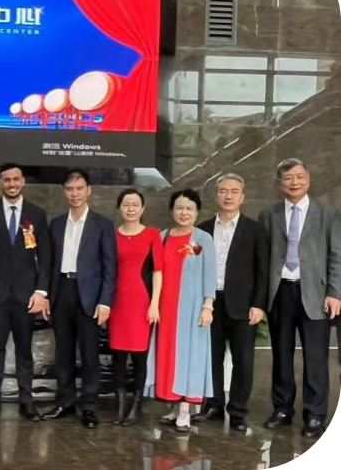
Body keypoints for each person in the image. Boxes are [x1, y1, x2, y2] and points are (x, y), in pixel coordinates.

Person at [258, 158, 341, 439]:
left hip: (315, 294)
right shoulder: (268, 214)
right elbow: (262, 258)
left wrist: (335, 293)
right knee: (281, 355)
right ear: (279, 183)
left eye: (299, 176)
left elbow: (337, 255)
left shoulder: (327, 213)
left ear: (308, 179)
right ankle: (282, 409)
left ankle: (315, 414)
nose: (294, 182)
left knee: (316, 358)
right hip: (279, 291)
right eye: (288, 178)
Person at [0, 163, 51, 422]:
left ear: (23, 182)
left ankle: (27, 401)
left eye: (16, 179)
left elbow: (46, 257)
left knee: (24, 351)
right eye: (7, 180)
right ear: (0, 183)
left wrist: (41, 291)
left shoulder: (37, 214)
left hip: (27, 296)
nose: (12, 184)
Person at [192, 174, 268, 432]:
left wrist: (259, 305)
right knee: (211, 357)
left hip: (243, 305)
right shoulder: (202, 230)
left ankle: (237, 411)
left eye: (234, 191)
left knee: (243, 359)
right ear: (217, 196)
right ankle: (213, 405)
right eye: (223, 191)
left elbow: (263, 270)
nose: (228, 195)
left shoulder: (255, 230)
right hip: (210, 302)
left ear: (242, 197)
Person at [42, 170, 116, 429]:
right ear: (64, 192)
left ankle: (89, 407)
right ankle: (65, 401)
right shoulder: (56, 224)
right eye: (70, 189)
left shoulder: (102, 224)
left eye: (79, 188)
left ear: (89, 190)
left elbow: (110, 267)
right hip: (61, 290)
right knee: (62, 353)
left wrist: (105, 301)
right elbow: (49, 264)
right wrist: (46, 295)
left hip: (89, 296)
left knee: (89, 354)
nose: (74, 193)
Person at [145, 189, 216, 434]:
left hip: (193, 308)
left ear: (197, 212)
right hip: (166, 308)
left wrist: (208, 305)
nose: (184, 213)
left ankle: (186, 409)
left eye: (189, 208)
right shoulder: (162, 237)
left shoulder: (203, 238)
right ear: (172, 211)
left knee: (190, 357)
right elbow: (156, 271)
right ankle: (174, 405)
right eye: (179, 208)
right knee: (169, 357)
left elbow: (210, 274)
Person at [108, 188, 162, 426]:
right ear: (119, 208)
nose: (130, 209)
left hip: (142, 302)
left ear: (143, 209)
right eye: (126, 204)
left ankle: (136, 406)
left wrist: (155, 304)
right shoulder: (111, 235)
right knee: (118, 356)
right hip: (117, 303)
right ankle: (120, 405)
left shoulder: (152, 234)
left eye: (135, 204)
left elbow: (158, 271)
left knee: (140, 356)